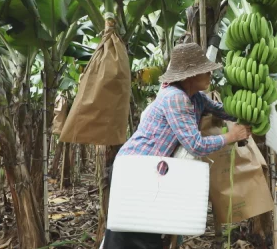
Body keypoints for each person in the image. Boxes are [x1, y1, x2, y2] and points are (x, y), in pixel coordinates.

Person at [101, 43, 251, 249]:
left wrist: (251, 107)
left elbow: (222, 111)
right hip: (137, 169)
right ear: (189, 76)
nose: (209, 74)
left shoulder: (195, 97)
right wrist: (231, 136)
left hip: (149, 169)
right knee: (132, 235)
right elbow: (195, 145)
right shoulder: (176, 98)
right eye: (203, 71)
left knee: (143, 231)